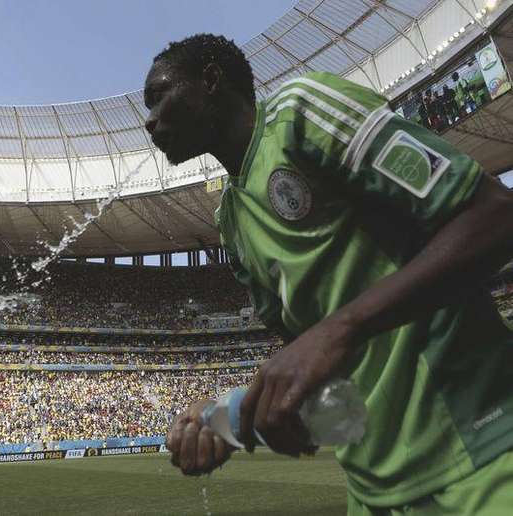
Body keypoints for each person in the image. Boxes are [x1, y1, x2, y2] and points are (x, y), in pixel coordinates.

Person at [144, 33, 513, 514]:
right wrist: (227, 418)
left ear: (211, 80)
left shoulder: (302, 114)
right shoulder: (231, 223)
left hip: (479, 463)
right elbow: (316, 365)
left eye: (159, 97)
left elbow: (494, 217)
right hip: (371, 492)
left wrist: (341, 327)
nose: (149, 121)